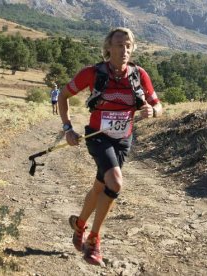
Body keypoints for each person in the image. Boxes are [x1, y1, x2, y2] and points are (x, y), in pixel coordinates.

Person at [58, 27, 163, 266]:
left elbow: (158, 105)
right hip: (97, 137)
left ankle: (79, 225)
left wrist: (153, 111)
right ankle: (94, 241)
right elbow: (63, 96)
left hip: (123, 139)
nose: (124, 50)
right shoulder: (92, 73)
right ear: (108, 48)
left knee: (100, 186)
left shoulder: (139, 74)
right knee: (115, 182)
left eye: (128, 45)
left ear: (132, 47)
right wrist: (67, 129)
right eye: (118, 45)